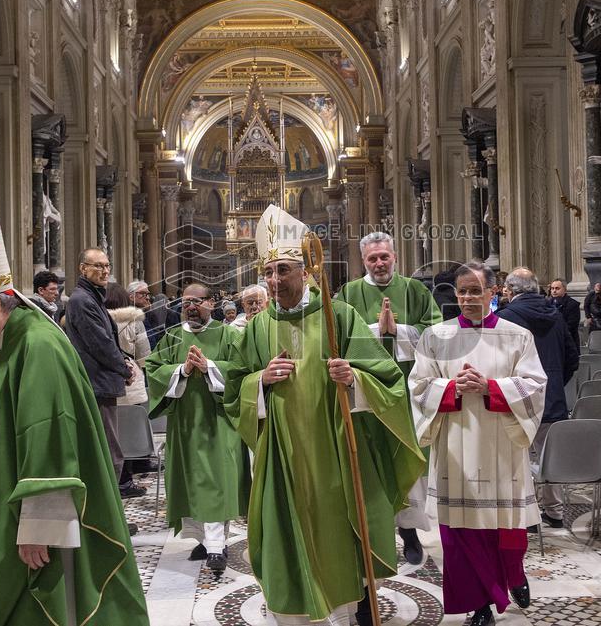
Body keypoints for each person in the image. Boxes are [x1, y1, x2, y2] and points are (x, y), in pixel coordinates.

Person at [0, 219, 148, 625]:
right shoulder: (3, 340)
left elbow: (50, 431)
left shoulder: (37, 345)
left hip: (25, 529)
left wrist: (40, 524)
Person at [224, 204, 425, 626]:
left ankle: (355, 601)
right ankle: (298, 602)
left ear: (305, 272)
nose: (275, 281)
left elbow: (387, 378)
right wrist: (260, 381)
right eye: (268, 273)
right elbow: (233, 385)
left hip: (336, 449)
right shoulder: (258, 327)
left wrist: (354, 378)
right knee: (288, 530)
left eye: (283, 271)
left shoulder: (339, 316)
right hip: (283, 456)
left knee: (344, 527)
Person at [409, 260, 547, 626]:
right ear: (455, 295)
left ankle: (514, 575)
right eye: (463, 291)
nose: (468, 297)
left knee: (507, 529)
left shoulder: (517, 336)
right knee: (460, 535)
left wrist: (491, 388)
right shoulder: (435, 337)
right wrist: (452, 387)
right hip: (457, 447)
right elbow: (418, 387)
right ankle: (479, 603)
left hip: (502, 446)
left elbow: (535, 386)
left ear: (492, 293)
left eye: (476, 290)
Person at [336, 231, 442, 565]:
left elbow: (436, 332)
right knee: (372, 458)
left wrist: (399, 331)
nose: (379, 263)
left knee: (405, 454)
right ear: (363, 260)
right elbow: (336, 336)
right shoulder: (349, 293)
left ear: (394, 256)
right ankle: (373, 527)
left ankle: (409, 531)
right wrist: (374, 332)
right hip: (366, 391)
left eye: (384, 256)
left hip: (408, 389)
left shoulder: (415, 289)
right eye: (372, 258)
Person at [145, 282, 248, 575]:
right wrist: (181, 371)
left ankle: (217, 546)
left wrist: (209, 367)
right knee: (190, 482)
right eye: (187, 301)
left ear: (211, 303)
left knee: (215, 482)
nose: (191, 306)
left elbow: (242, 371)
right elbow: (152, 368)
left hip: (218, 424)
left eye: (197, 301)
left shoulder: (228, 334)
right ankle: (203, 540)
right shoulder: (173, 337)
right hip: (186, 425)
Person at [496, 268, 578, 530]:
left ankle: (526, 513)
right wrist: (552, 383)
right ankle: (554, 511)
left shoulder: (505, 318)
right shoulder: (555, 314)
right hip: (551, 396)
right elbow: (572, 356)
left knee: (518, 456)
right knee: (548, 454)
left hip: (516, 396)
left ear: (510, 290)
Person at [65, 247, 143, 500]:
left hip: (101, 383)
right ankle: (108, 521)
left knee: (108, 452)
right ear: (82, 269)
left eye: (107, 265)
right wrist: (123, 369)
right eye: (97, 265)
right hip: (97, 383)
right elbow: (99, 343)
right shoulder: (82, 300)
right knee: (108, 454)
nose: (104, 270)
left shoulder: (91, 297)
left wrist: (123, 363)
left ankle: (109, 518)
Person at [105, 282, 153, 494]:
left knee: (112, 431)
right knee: (133, 425)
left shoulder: (96, 318)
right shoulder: (133, 321)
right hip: (130, 378)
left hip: (105, 378)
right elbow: (144, 355)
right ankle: (131, 473)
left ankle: (119, 479)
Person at [548, 279, 581, 344]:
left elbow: (571, 326)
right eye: (552, 288)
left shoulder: (573, 304)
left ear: (565, 290)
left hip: (568, 342)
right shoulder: (547, 304)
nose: (554, 291)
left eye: (557, 288)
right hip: (551, 342)